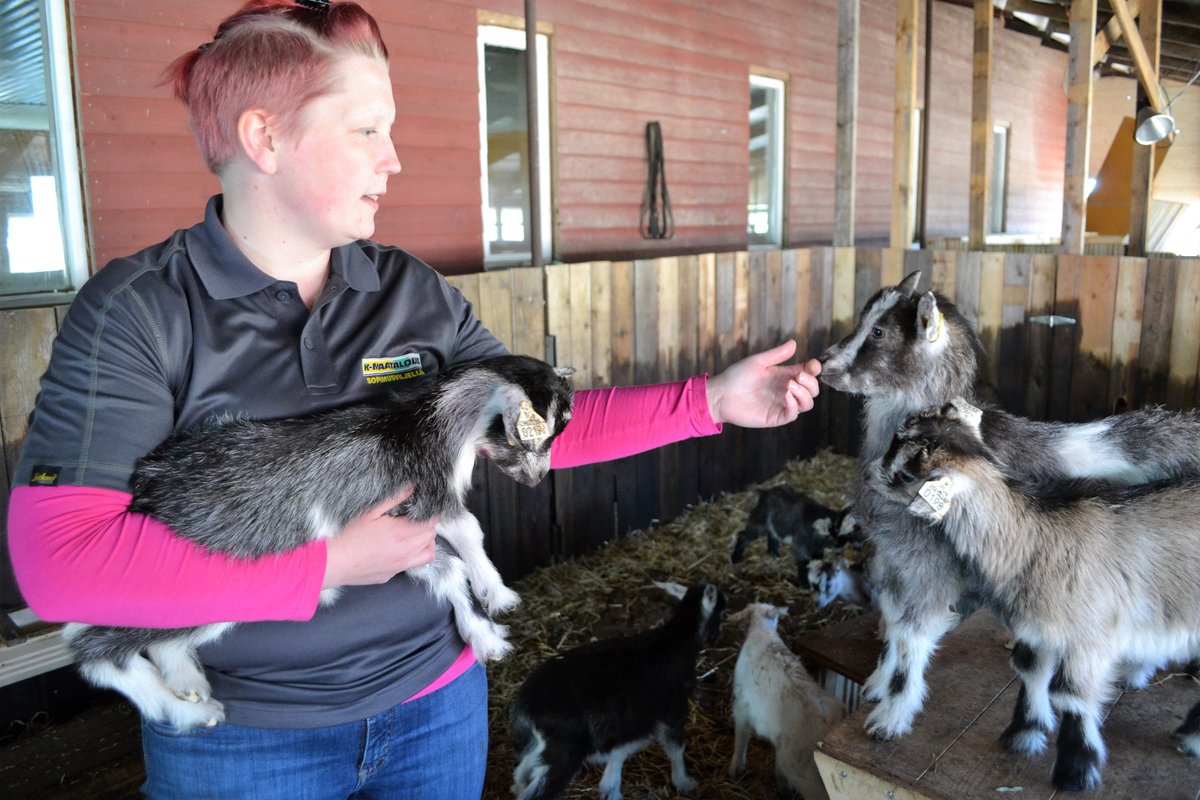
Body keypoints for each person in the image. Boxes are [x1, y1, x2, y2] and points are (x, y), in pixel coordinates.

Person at [6, 2, 822, 798]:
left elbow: (526, 431)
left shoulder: (408, 291)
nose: (392, 159)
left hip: (434, 709)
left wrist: (710, 400)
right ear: (265, 138)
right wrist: (324, 565)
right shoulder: (140, 312)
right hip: (245, 740)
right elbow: (61, 568)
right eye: (366, 130)